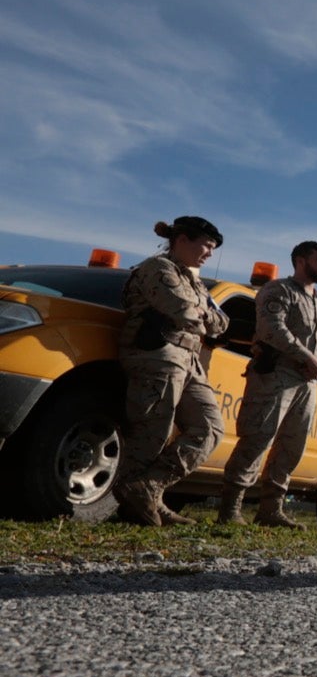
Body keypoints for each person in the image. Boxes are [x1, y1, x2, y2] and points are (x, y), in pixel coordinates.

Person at [114, 217, 230, 526]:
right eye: (206, 245)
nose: (209, 253)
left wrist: (203, 315)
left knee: (210, 428)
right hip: (157, 355)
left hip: (189, 360)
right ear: (182, 240)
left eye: (212, 248)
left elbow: (221, 323)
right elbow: (183, 311)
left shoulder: (193, 280)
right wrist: (203, 315)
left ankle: (149, 489)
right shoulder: (157, 269)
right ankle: (132, 501)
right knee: (153, 432)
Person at [216, 241, 317, 528]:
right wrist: (308, 357)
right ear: (300, 260)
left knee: (291, 448)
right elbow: (272, 328)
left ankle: (271, 510)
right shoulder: (279, 291)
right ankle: (230, 508)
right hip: (275, 375)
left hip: (307, 384)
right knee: (258, 438)